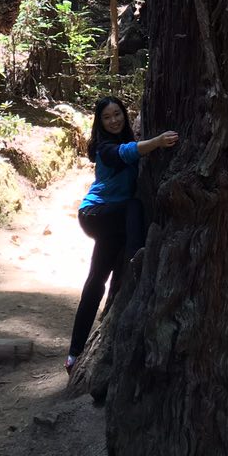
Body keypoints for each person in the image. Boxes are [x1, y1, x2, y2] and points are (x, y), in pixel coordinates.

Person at [65, 96, 178, 372]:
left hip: (114, 224)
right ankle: (136, 257)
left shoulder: (127, 139)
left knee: (96, 282)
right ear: (99, 123)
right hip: (95, 214)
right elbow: (125, 153)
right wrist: (158, 142)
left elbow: (131, 148)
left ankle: (74, 352)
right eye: (107, 117)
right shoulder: (105, 148)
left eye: (117, 114)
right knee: (133, 204)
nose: (114, 120)